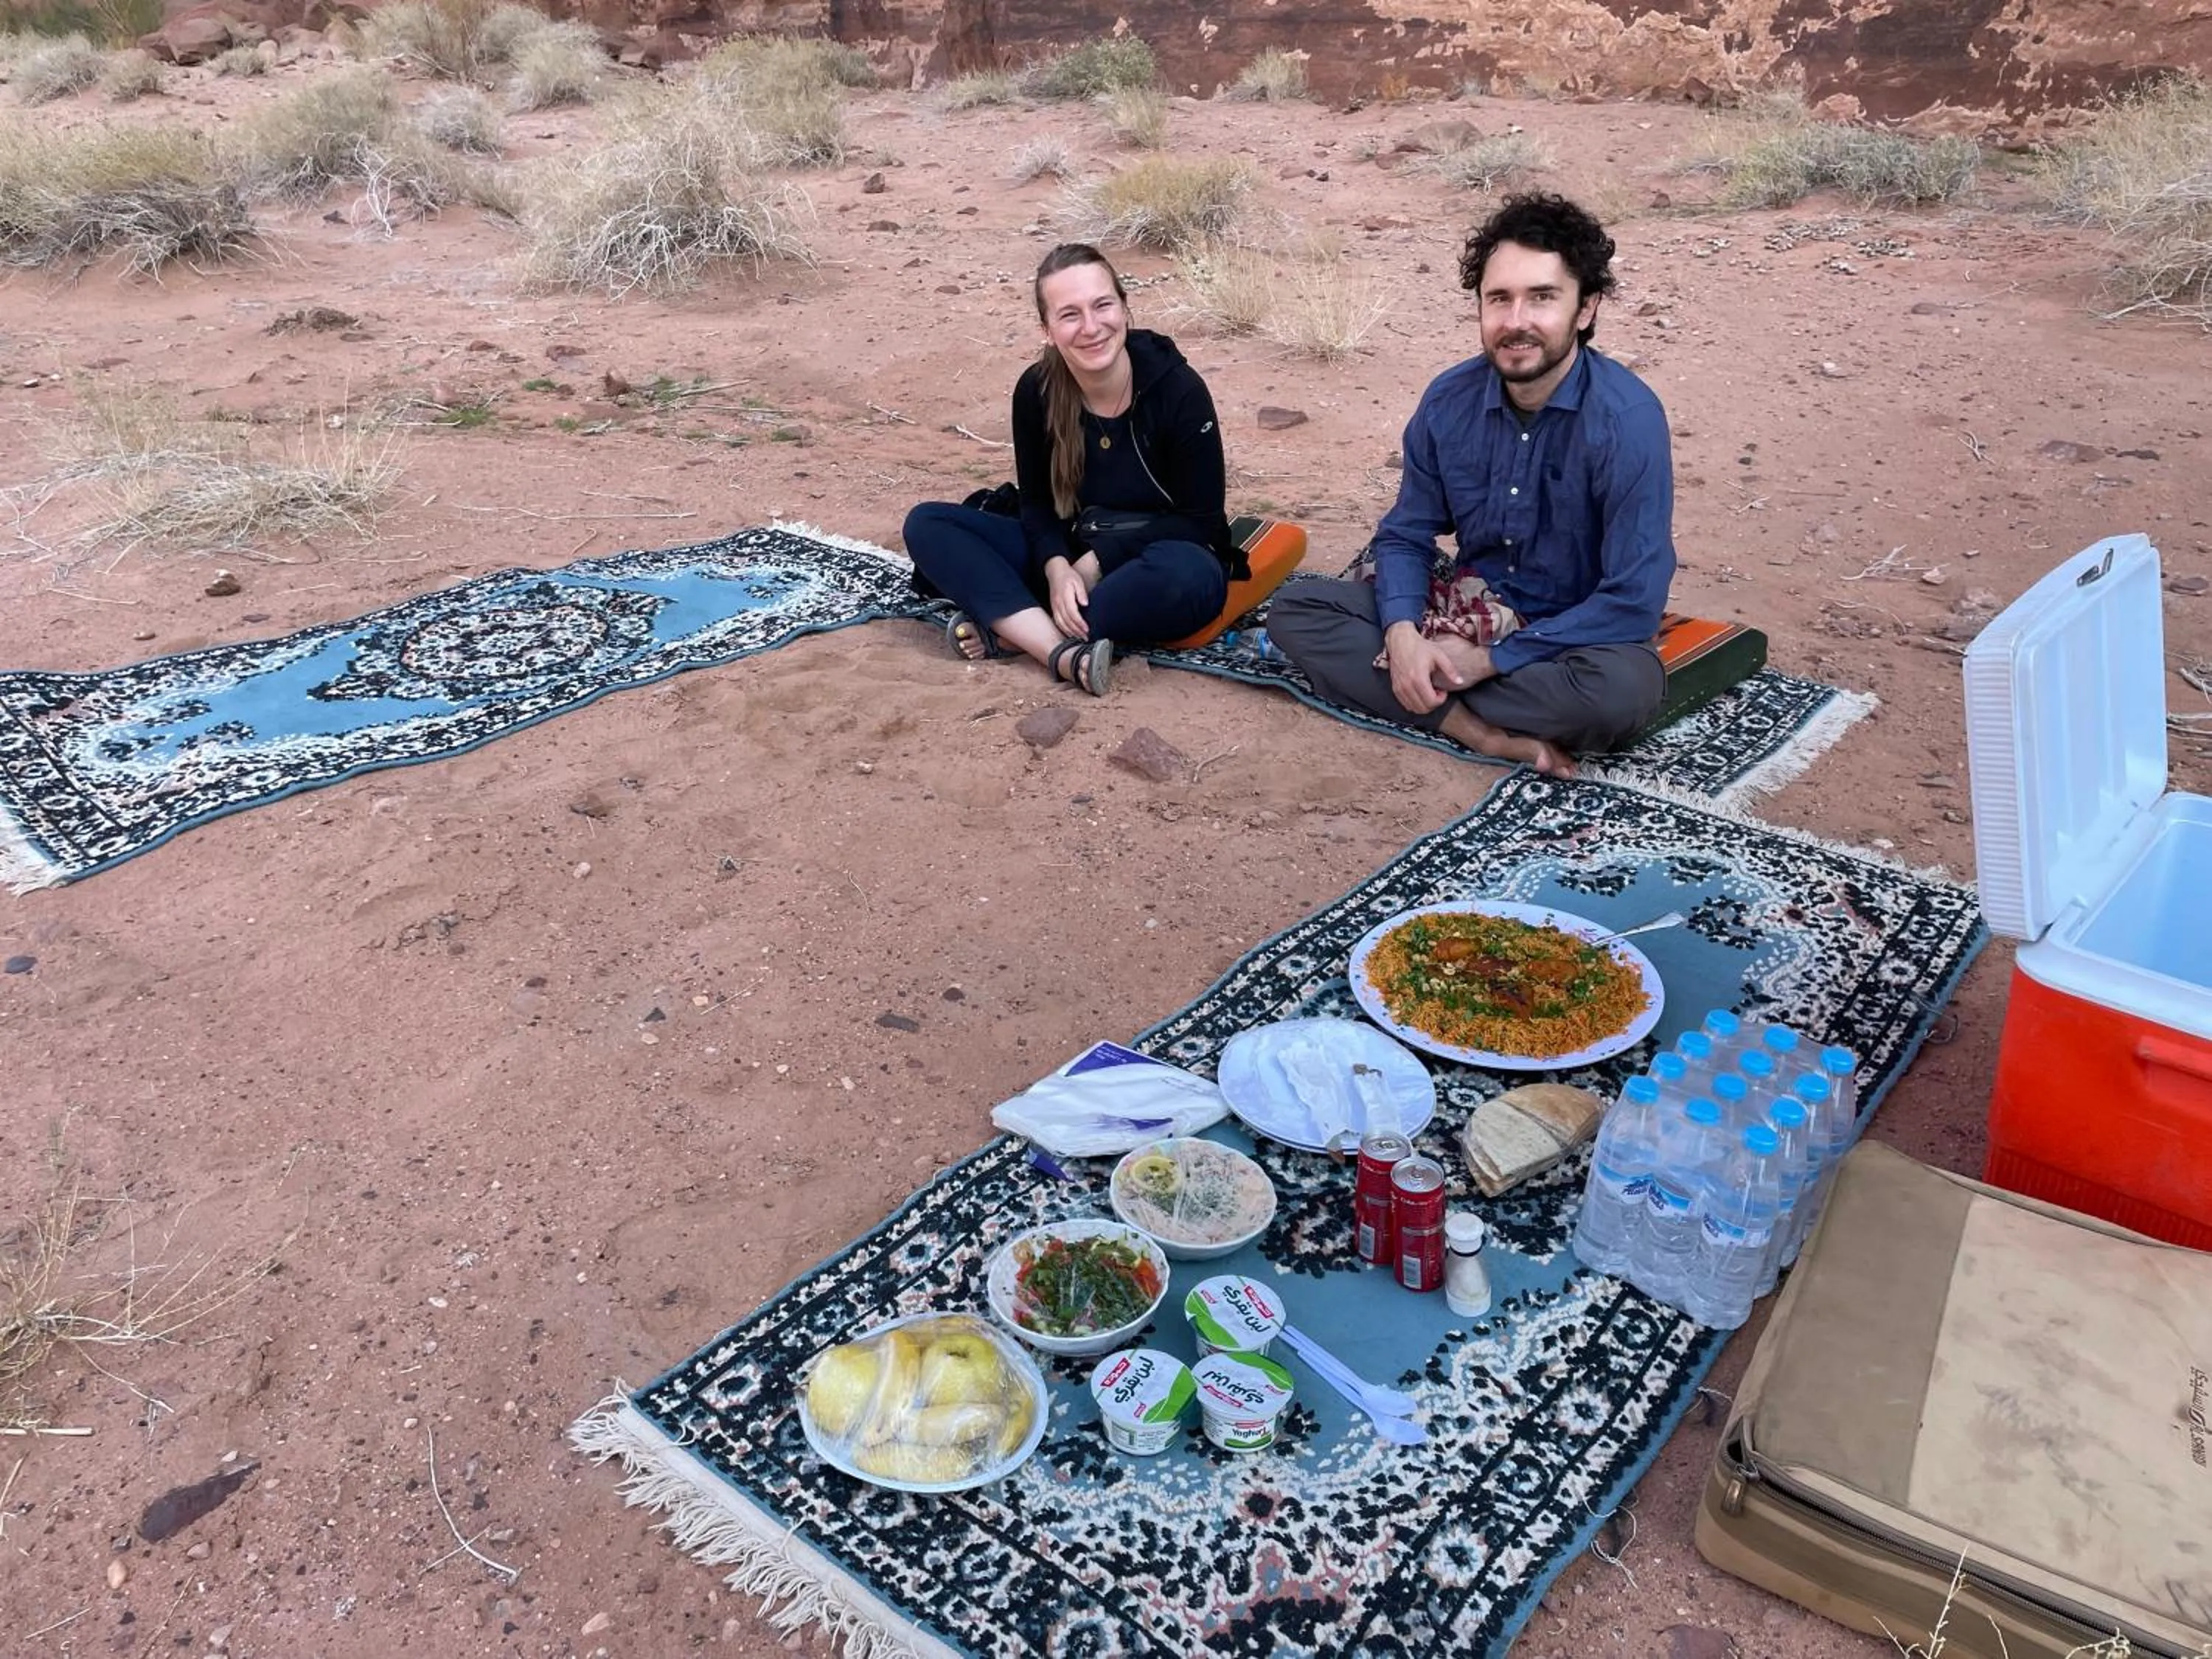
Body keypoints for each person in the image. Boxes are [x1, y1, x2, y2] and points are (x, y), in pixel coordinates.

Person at [1267, 192, 1675, 776]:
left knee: (1620, 697)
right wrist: (1404, 634)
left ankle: (1416, 688)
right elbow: (1406, 535)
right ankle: (1475, 730)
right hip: (1468, 607)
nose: (1516, 322)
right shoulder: (1449, 401)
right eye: (1499, 299)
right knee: (1297, 609)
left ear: (1585, 309)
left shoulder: (1626, 422)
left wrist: (1490, 658)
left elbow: (1633, 603)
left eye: (1542, 298)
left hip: (1569, 641)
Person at [902, 244, 1236, 696]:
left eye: (1102, 305)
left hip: (1157, 556)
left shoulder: (1178, 390)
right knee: (928, 524)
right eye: (1070, 315)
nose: (1092, 327)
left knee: (1183, 577)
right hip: (1070, 548)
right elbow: (1037, 503)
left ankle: (1015, 630)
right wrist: (1058, 566)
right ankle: (1061, 652)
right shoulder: (1036, 391)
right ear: (1047, 330)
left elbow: (1202, 522)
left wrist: (1095, 564)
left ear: (1124, 306)